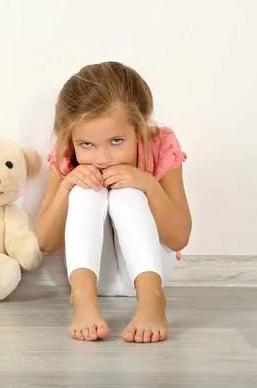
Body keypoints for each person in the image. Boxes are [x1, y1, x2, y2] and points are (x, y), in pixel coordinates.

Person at [36, 61, 192, 343]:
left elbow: (179, 238)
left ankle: (152, 299)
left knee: (128, 191)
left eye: (117, 141)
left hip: (150, 271)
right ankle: (81, 298)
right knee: (85, 190)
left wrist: (148, 185)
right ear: (72, 138)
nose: (102, 158)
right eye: (87, 145)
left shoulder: (162, 144)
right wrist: (68, 185)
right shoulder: (64, 151)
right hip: (94, 277)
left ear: (139, 128)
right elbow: (46, 243)